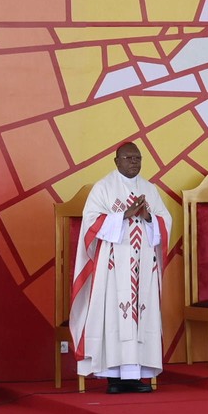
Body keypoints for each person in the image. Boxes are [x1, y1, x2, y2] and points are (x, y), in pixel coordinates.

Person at [72, 141, 172, 393]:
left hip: (142, 267)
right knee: (114, 316)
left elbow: (165, 221)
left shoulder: (150, 189)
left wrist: (149, 217)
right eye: (128, 158)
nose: (134, 162)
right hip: (113, 268)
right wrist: (124, 215)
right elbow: (91, 224)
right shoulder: (103, 188)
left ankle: (135, 375)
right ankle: (113, 377)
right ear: (116, 161)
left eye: (137, 158)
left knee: (141, 315)